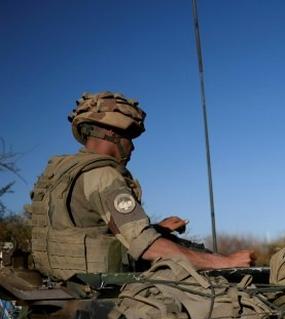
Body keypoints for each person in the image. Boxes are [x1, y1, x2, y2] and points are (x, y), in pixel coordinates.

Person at [29, 91, 253, 281]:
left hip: (62, 283)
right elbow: (149, 248)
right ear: (112, 133)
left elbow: (84, 229)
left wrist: (158, 229)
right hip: (99, 289)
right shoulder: (103, 176)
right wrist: (224, 262)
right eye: (129, 137)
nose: (132, 147)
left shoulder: (61, 170)